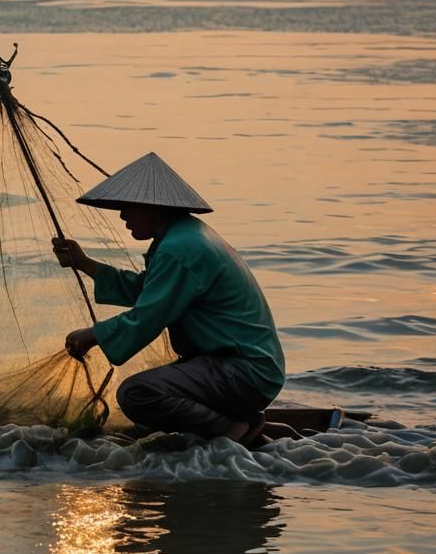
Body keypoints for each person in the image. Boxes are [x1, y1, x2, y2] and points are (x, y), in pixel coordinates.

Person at [52, 152, 284, 445]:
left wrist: (93, 335)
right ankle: (232, 420)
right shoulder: (183, 236)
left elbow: (149, 316)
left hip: (244, 371)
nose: (122, 216)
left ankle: (228, 428)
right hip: (235, 367)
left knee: (137, 393)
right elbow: (149, 291)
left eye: (129, 208)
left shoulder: (180, 248)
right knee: (148, 407)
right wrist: (84, 263)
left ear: (155, 208)